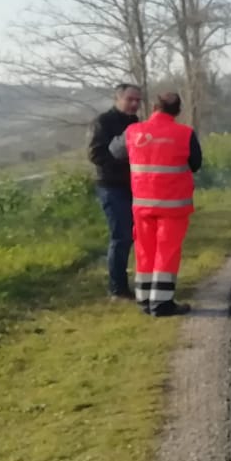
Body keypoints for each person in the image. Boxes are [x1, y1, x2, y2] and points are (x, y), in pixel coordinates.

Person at [112, 92, 203, 317]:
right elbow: (196, 163)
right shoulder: (185, 134)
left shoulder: (133, 132)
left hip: (142, 205)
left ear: (153, 107)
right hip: (173, 206)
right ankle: (162, 304)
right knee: (167, 252)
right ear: (178, 111)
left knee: (145, 251)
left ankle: (144, 299)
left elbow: (115, 151)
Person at [88, 82, 143, 301]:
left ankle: (139, 282)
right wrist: (126, 162)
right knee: (121, 237)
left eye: (138, 100)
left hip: (134, 186)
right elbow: (95, 154)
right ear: (117, 99)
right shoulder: (102, 122)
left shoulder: (135, 122)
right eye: (130, 99)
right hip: (111, 187)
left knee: (137, 235)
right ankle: (117, 289)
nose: (134, 104)